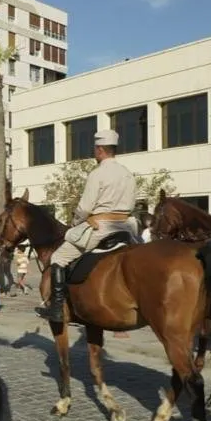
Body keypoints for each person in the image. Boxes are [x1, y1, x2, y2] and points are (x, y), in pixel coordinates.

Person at [35, 128, 137, 323]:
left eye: (95, 149)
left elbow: (85, 207)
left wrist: (74, 223)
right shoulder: (127, 174)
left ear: (99, 150)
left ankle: (56, 308)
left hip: (101, 228)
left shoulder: (97, 174)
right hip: (126, 228)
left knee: (58, 257)